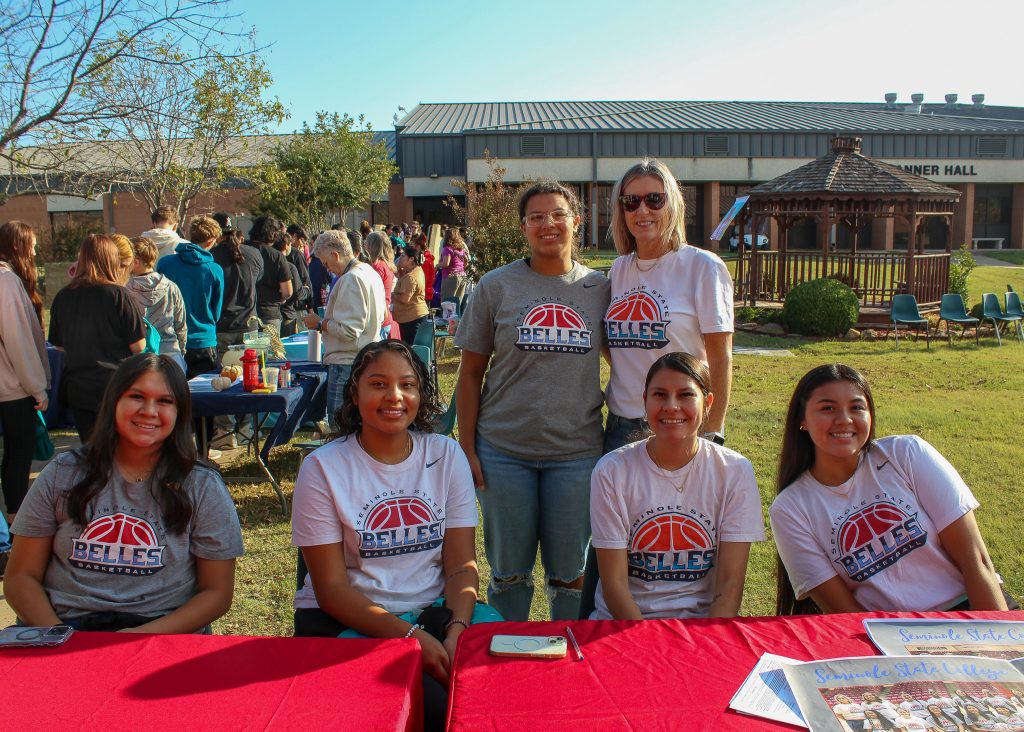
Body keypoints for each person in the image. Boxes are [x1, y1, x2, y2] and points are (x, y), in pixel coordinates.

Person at [291, 340, 495, 732]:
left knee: (492, 693)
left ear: (422, 392)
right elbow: (331, 589)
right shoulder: (322, 468)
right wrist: (411, 637)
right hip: (347, 623)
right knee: (438, 710)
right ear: (355, 392)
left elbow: (461, 567)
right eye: (378, 384)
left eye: (407, 385)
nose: (394, 397)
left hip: (437, 613)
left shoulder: (446, 455)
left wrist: (456, 631)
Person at [454, 179, 610, 621]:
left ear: (576, 222)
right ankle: (508, 655)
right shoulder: (496, 286)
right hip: (504, 452)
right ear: (523, 227)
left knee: (570, 573)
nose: (548, 224)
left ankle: (567, 653)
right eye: (536, 217)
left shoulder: (600, 289)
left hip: (577, 454)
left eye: (558, 214)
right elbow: (469, 374)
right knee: (508, 573)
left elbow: (625, 362)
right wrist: (467, 447)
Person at [4, 353, 244, 632]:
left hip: (161, 630)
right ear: (113, 402)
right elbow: (21, 578)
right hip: (65, 628)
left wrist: (135, 639)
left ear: (180, 414)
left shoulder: (202, 486)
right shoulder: (63, 473)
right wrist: (61, 638)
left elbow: (217, 593)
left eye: (165, 401)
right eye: (137, 396)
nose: (149, 411)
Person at [771, 364, 1009, 615]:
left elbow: (977, 563)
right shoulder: (790, 509)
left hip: (970, 608)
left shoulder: (906, 454)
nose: (844, 419)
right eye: (827, 408)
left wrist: (1000, 640)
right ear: (802, 420)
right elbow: (846, 614)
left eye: (856, 407)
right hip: (889, 634)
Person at [590, 352, 764, 619]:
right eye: (660, 395)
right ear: (644, 401)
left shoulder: (734, 471)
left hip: (703, 628)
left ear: (708, 404)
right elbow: (615, 587)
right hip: (625, 626)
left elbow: (729, 589)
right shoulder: (612, 471)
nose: (671, 406)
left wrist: (703, 646)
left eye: (685, 395)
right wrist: (652, 649)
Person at [602, 157, 734, 453]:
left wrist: (712, 430)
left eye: (654, 199)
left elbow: (721, 357)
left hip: (680, 423)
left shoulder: (703, 267)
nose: (643, 210)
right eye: (631, 201)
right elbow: (614, 344)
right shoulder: (619, 269)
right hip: (621, 425)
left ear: (672, 204)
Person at [49, 235, 147, 442]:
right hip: (115, 385)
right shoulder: (119, 295)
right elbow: (138, 345)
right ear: (111, 259)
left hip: (78, 387)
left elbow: (58, 346)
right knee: (119, 449)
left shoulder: (63, 296)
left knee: (91, 451)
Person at [301, 230, 384, 429]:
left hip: (347, 362)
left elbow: (349, 330)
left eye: (325, 262)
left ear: (335, 255)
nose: (325, 267)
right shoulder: (368, 272)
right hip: (362, 357)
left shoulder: (351, 279)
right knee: (356, 426)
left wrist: (320, 323)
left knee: (341, 426)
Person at [0, 222, 50, 522]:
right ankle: (17, 522)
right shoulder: (6, 281)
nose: (35, 250)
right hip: (13, 387)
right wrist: (37, 387)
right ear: (19, 246)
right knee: (19, 455)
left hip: (11, 383)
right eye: (32, 244)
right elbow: (18, 339)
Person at [157, 215, 224, 379]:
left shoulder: (165, 263)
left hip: (170, 339)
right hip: (203, 339)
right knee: (204, 394)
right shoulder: (214, 270)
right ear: (210, 241)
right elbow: (216, 312)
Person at [127, 236, 188, 372]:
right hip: (171, 352)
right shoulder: (171, 287)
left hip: (141, 356)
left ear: (136, 262)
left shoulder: (126, 291)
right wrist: (182, 351)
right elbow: (181, 324)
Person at [210, 224, 263, 363]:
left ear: (217, 234)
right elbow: (259, 278)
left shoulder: (212, 255)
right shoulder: (254, 253)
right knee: (251, 373)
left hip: (223, 325)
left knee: (224, 374)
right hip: (249, 322)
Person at [247, 216, 293, 334]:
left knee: (248, 352)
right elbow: (287, 291)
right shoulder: (276, 255)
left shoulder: (241, 250)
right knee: (271, 351)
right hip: (269, 312)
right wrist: (281, 299)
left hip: (245, 312)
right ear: (273, 234)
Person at [364, 230, 400, 339]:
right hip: (384, 316)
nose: (364, 244)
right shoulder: (386, 265)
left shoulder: (378, 267)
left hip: (379, 318)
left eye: (367, 242)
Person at [393, 245, 429, 345]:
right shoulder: (416, 269)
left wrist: (393, 294)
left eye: (403, 256)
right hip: (414, 315)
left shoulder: (411, 276)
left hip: (411, 318)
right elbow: (399, 274)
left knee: (409, 348)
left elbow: (404, 299)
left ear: (411, 259)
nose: (400, 258)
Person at [438, 226, 469, 302]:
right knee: (457, 304)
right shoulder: (461, 249)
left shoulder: (447, 248)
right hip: (462, 276)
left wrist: (437, 265)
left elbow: (446, 263)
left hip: (451, 276)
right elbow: (466, 262)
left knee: (447, 303)